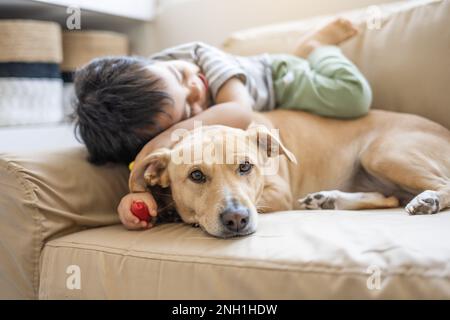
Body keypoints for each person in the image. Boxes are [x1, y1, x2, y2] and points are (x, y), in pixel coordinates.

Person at [73, 18, 372, 230]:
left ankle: (315, 47)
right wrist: (137, 193)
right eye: (189, 109)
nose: (196, 90)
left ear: (158, 62)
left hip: (280, 77)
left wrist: (161, 142)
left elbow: (239, 111)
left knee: (353, 96)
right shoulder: (166, 126)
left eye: (179, 76)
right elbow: (164, 170)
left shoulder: (201, 61)